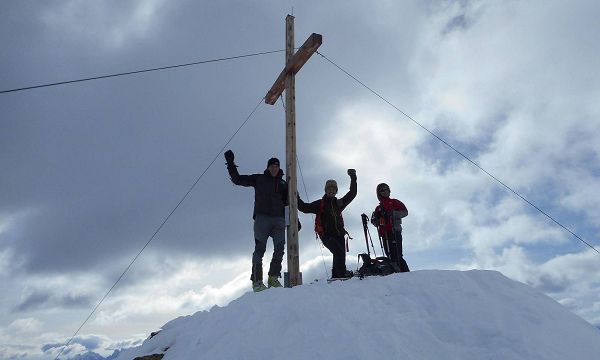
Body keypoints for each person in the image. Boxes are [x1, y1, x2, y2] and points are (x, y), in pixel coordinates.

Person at [224, 149, 287, 292]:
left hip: (278, 219)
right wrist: (230, 163)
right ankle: (257, 281)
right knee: (260, 249)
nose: (274, 168)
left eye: (276, 166)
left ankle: (273, 278)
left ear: (279, 168)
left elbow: (289, 202)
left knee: (280, 247)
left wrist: (295, 220)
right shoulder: (259, 179)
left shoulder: (283, 183)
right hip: (262, 218)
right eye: (271, 166)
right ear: (267, 167)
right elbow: (237, 180)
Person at [297, 169, 357, 279]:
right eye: (329, 188)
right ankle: (342, 274)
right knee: (338, 252)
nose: (331, 191)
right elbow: (304, 208)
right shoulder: (320, 204)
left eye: (334, 189)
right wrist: (296, 195)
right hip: (326, 235)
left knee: (340, 255)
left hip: (339, 235)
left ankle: (336, 276)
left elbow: (352, 193)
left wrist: (353, 177)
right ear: (326, 190)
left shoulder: (339, 204)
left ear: (336, 191)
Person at [371, 183, 410, 273]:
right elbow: (374, 222)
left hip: (394, 231)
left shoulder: (394, 202)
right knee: (390, 255)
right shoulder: (378, 208)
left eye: (387, 189)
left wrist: (393, 214)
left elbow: (405, 212)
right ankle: (395, 273)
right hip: (384, 233)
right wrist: (377, 218)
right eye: (383, 190)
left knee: (397, 254)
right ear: (379, 193)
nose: (385, 191)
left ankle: (405, 274)